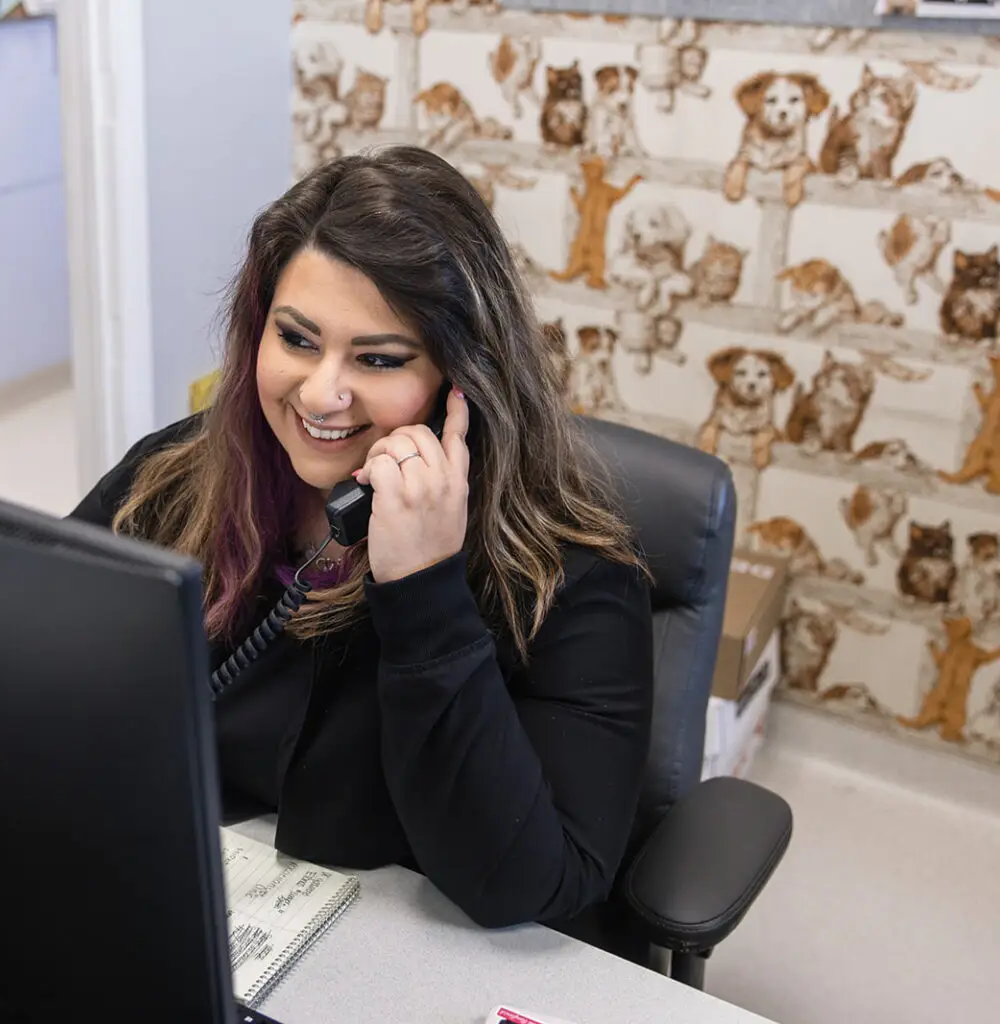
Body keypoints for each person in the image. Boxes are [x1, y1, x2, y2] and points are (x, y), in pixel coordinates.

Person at [69, 147, 653, 929]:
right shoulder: (176, 480)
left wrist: (426, 593)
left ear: (461, 380)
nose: (321, 393)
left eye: (376, 358)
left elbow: (527, 887)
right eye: (298, 339)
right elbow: (33, 649)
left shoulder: (572, 581)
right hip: (193, 903)